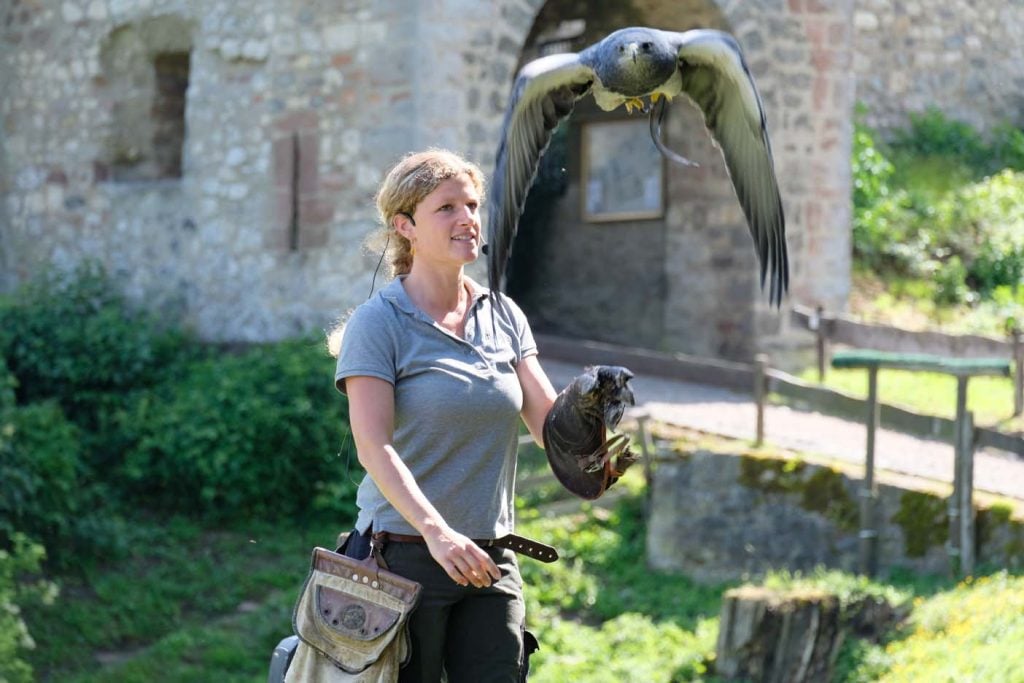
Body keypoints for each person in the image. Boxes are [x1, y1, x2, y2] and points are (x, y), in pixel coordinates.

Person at [330, 148, 560, 682]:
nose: (468, 220)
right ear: (404, 225)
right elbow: (373, 446)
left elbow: (553, 428)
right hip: (402, 557)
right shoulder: (377, 324)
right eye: (447, 208)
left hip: (490, 559)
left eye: (473, 205)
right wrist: (437, 534)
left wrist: (595, 416)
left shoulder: (504, 315)